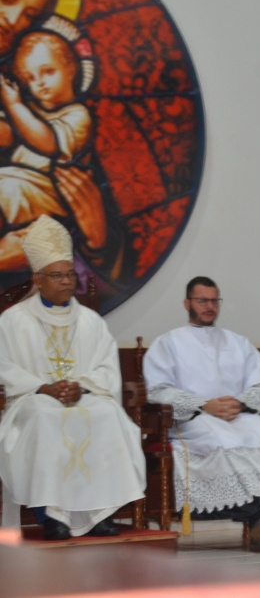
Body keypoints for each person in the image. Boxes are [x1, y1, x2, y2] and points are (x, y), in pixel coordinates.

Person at [0, 214, 145, 539]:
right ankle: (51, 515)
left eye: (70, 274)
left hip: (82, 396)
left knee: (106, 413)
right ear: (38, 279)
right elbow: (4, 365)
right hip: (32, 400)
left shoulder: (91, 321)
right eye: (57, 276)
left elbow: (107, 368)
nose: (67, 281)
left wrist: (82, 387)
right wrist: (42, 387)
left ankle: (97, 513)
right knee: (42, 416)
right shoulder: (14, 321)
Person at [142, 276, 260, 551]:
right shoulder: (168, 343)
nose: (209, 307)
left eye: (214, 301)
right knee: (222, 442)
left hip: (237, 416)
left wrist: (241, 403)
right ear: (187, 303)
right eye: (202, 301)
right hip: (193, 420)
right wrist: (202, 404)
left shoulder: (238, 342)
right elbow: (159, 390)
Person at [0, 31, 92, 228]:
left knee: (6, 188)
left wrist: (14, 106)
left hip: (53, 197)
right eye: (31, 78)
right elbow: (7, 135)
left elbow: (48, 143)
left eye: (48, 71)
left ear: (70, 68)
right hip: (21, 183)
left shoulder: (78, 115)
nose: (39, 82)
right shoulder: (31, 112)